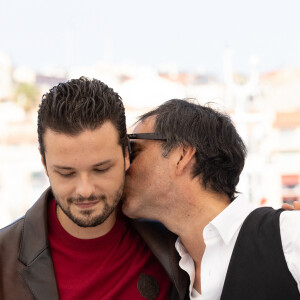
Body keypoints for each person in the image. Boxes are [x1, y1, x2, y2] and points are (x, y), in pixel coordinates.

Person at [0, 78, 188, 300]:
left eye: (101, 169)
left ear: (126, 154)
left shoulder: (174, 239)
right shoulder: (4, 259)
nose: (85, 190)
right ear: (44, 162)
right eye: (66, 173)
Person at [122, 98, 300, 300]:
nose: (124, 165)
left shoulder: (288, 234)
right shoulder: (172, 273)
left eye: (133, 150)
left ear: (181, 154)